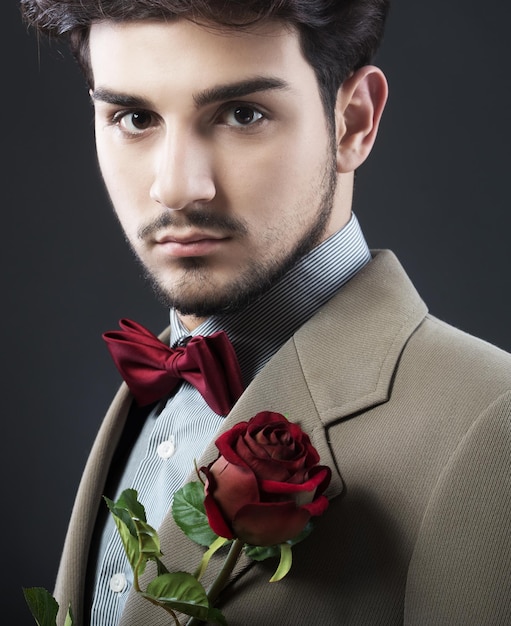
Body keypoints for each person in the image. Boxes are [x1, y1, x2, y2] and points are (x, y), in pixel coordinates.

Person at [20, 1, 511, 625]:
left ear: (352, 122)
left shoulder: (493, 429)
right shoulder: (147, 396)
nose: (175, 187)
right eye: (134, 117)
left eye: (242, 114)